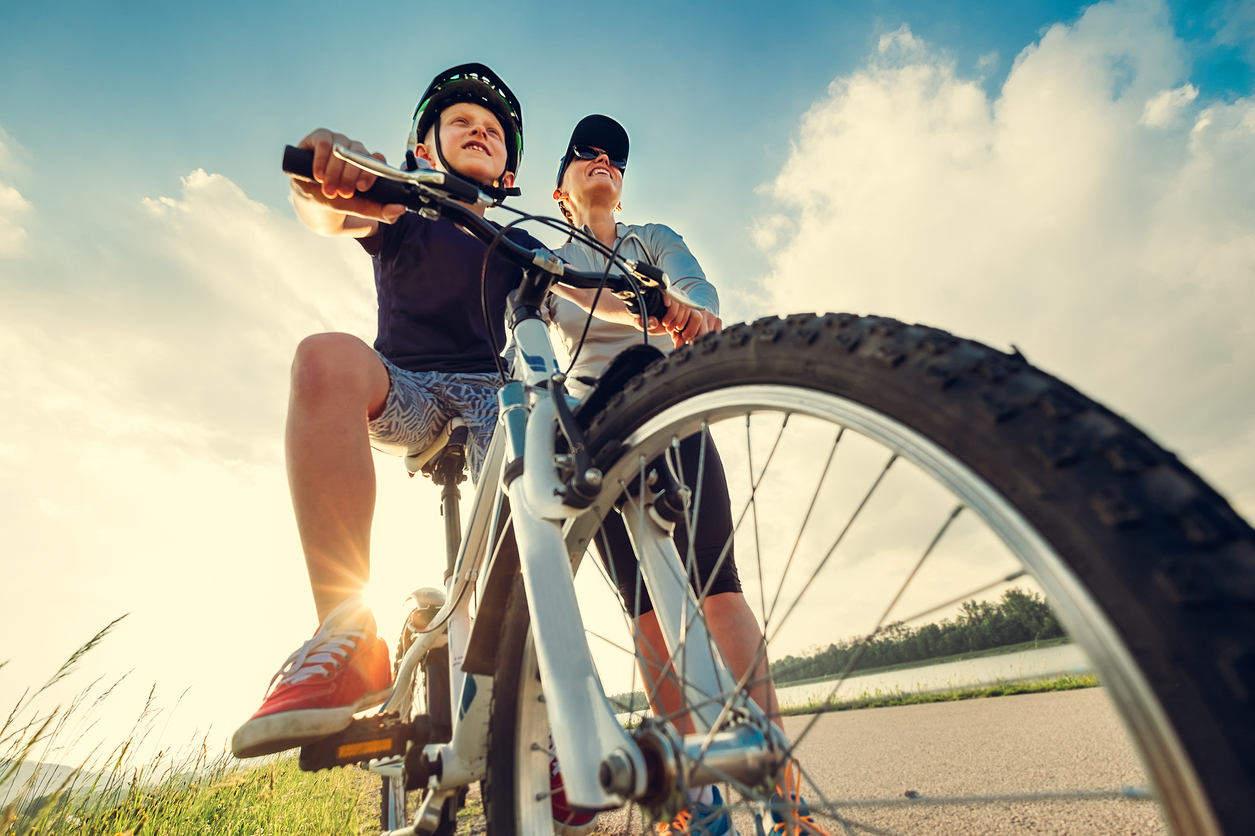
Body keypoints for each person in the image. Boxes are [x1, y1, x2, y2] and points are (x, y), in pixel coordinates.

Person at [231, 64, 547, 760]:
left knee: (542, 437)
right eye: (462, 122)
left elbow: (592, 300)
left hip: (491, 394)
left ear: (505, 172)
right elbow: (326, 208)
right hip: (407, 387)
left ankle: (537, 710)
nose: (480, 132)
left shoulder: (520, 244)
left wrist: (660, 299)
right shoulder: (404, 211)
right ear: (426, 148)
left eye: (493, 132)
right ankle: (346, 634)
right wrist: (323, 169)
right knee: (323, 358)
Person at [548, 115, 817, 836]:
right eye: (586, 154)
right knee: (642, 617)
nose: (603, 161)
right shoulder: (543, 251)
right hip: (594, 431)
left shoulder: (653, 239)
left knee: (720, 591)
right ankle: (689, 804)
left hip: (670, 410)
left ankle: (788, 801)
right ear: (560, 186)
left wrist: (690, 310)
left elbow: (698, 295)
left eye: (614, 157)